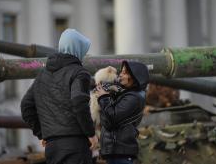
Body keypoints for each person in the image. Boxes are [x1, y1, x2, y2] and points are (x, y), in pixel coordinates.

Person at [21, 29, 98, 164]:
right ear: (77, 49)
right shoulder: (80, 73)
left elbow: (26, 106)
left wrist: (41, 133)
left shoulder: (42, 75)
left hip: (52, 147)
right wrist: (91, 134)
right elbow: (79, 102)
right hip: (76, 146)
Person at [96, 61, 149, 164]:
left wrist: (104, 97)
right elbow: (106, 120)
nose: (120, 74)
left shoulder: (133, 97)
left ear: (134, 76)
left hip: (121, 151)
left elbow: (112, 117)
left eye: (124, 73)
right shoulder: (124, 94)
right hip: (115, 151)